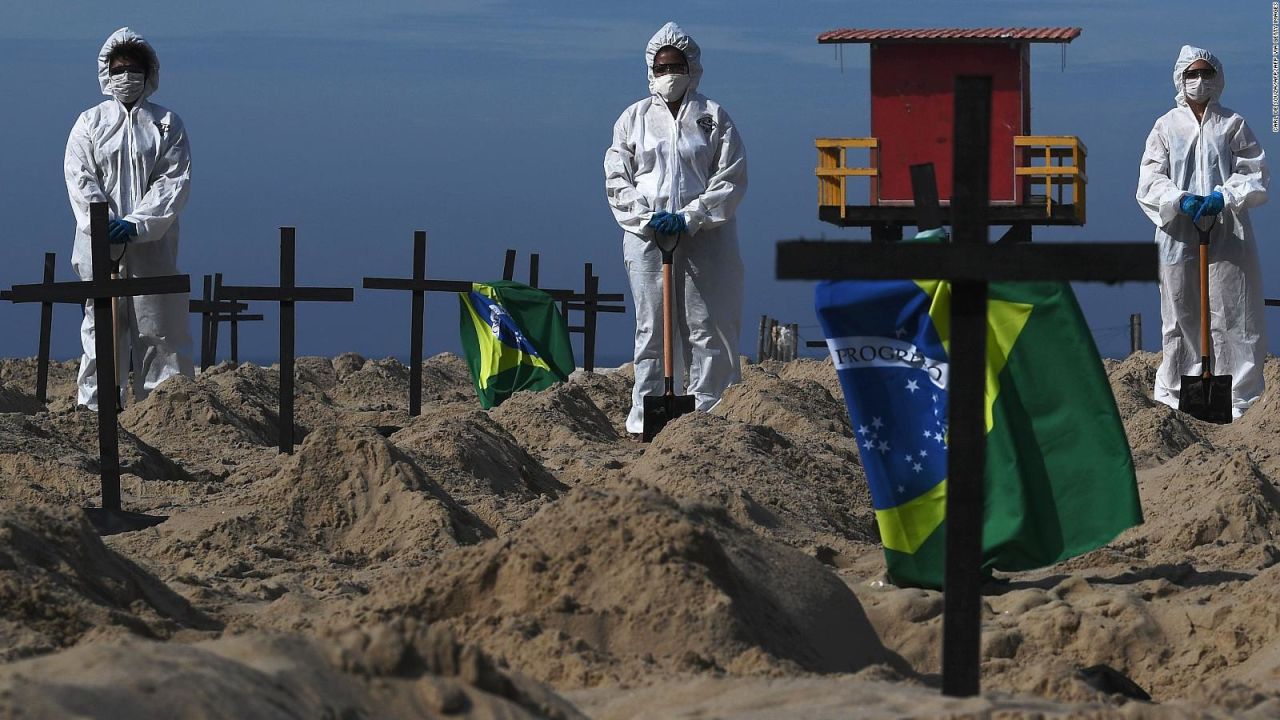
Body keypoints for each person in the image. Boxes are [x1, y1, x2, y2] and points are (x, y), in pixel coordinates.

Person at [604, 21, 748, 439]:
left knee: (708, 324)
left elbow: (730, 178)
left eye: (677, 65)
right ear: (651, 69)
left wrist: (692, 216)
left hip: (707, 235)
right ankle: (645, 416)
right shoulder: (633, 119)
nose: (670, 74)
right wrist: (646, 218)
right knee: (652, 327)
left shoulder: (713, 116)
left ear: (692, 67)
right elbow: (617, 178)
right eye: (663, 66)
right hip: (648, 238)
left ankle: (711, 412)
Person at [64, 27, 194, 411]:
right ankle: (96, 410)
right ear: (107, 72)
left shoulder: (167, 124)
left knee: (161, 334)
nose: (126, 75)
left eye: (133, 67)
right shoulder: (89, 123)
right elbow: (80, 178)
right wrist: (102, 223)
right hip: (100, 248)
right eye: (118, 68)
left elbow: (173, 183)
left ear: (148, 71)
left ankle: (165, 415)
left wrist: (136, 225)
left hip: (153, 249)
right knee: (101, 334)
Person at [1137, 45, 1268, 418]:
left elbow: (1255, 174)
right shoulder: (1165, 126)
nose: (1199, 81)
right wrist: (1180, 199)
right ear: (1180, 77)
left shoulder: (1233, 124)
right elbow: (1149, 180)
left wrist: (1223, 196)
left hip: (1227, 230)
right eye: (1192, 74)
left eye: (1206, 73)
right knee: (1180, 313)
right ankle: (1176, 394)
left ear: (1218, 78)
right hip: (1178, 233)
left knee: (1234, 311)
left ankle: (1240, 396)